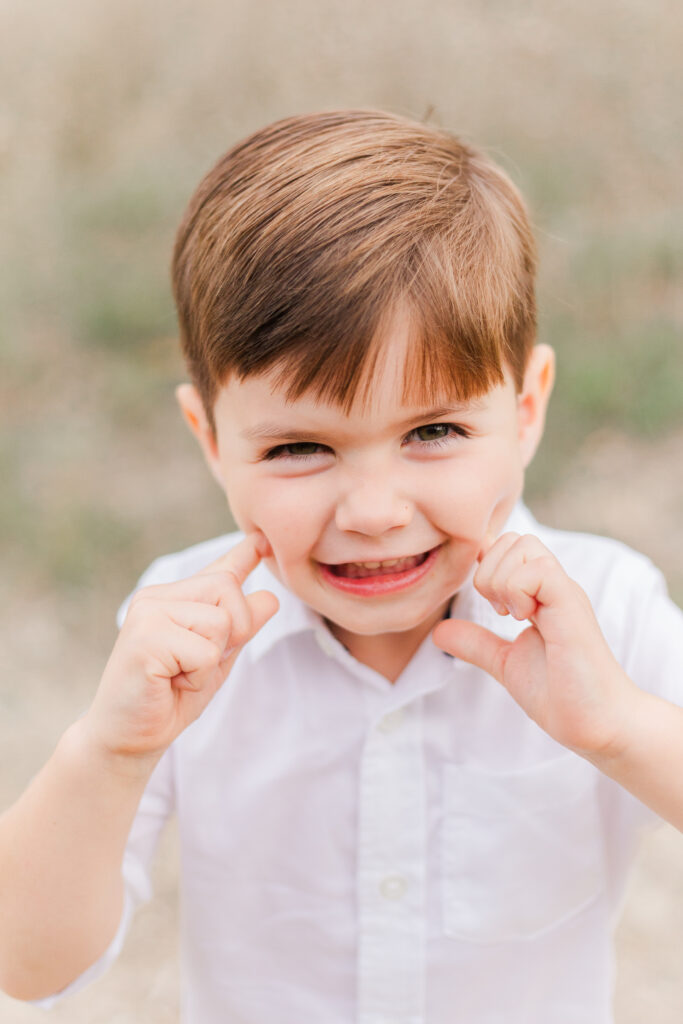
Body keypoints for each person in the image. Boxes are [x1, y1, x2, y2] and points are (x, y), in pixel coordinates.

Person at [1, 109, 682, 1024]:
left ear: (525, 408)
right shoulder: (182, 639)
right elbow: (29, 968)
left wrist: (620, 729)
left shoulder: (607, 609)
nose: (372, 511)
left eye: (433, 431)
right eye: (299, 448)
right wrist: (107, 756)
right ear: (209, 439)